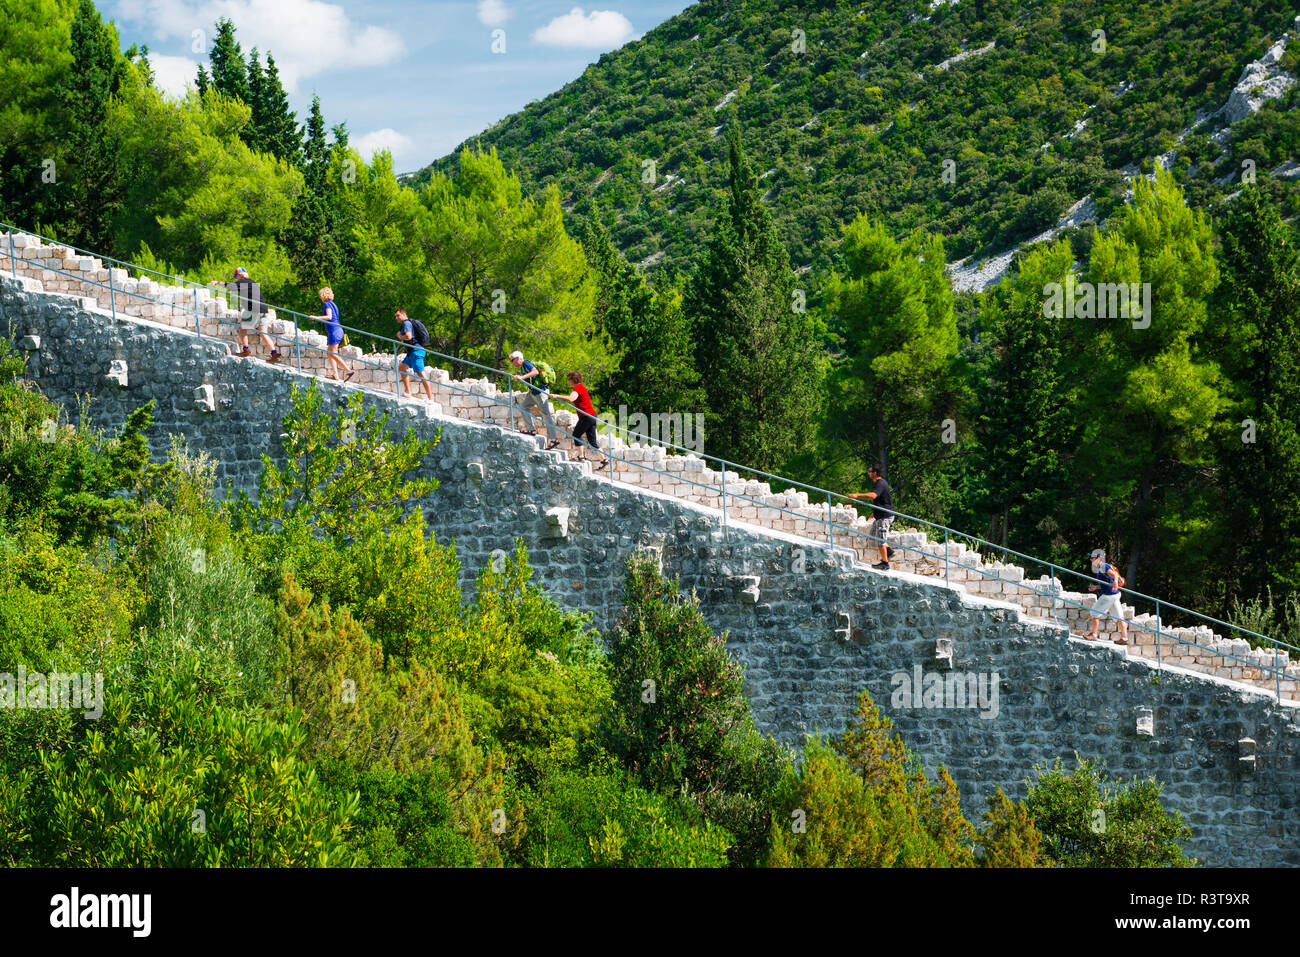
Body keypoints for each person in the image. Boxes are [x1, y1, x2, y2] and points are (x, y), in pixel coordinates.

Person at [208, 267, 282, 362]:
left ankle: (246, 350)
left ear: (240, 275)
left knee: (242, 329)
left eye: (236, 277)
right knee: (262, 332)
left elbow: (230, 286)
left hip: (254, 309)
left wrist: (217, 282)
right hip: (263, 309)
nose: (236, 279)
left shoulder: (244, 281)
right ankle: (274, 353)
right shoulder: (252, 282)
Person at [509, 350, 559, 449]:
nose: (512, 363)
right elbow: (533, 378)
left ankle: (554, 439)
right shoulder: (523, 366)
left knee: (545, 414)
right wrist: (530, 389)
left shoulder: (526, 363)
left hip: (540, 392)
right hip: (534, 392)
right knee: (523, 406)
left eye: (512, 360)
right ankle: (531, 430)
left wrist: (521, 377)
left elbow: (535, 372)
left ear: (518, 358)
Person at [847, 464, 894, 570]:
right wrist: (875, 512)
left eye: (870, 471)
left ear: (875, 473)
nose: (868, 473)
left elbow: (873, 495)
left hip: (884, 517)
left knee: (880, 539)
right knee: (874, 535)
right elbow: (881, 500)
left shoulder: (880, 483)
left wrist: (857, 495)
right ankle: (889, 551)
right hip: (880, 515)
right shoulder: (879, 483)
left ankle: (885, 563)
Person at [559, 370, 607, 469]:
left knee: (576, 434)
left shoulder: (578, 387)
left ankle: (580, 457)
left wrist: (556, 396)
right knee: (592, 440)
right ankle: (604, 460)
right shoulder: (581, 387)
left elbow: (571, 398)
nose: (569, 382)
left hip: (586, 416)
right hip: (592, 415)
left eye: (569, 380)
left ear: (573, 380)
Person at [306, 287, 352, 381]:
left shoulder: (327, 304)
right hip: (337, 330)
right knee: (329, 352)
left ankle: (348, 370)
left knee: (332, 352)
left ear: (323, 295)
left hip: (334, 331)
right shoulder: (333, 304)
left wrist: (315, 317)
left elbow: (329, 317)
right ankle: (335, 375)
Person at [1084, 549, 1129, 644]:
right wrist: (1096, 587)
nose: (1091, 560)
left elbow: (1114, 576)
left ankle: (1093, 635)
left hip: (1108, 596)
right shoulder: (1101, 567)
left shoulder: (1103, 566)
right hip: (1115, 594)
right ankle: (1124, 639)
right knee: (1119, 617)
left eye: (1092, 558)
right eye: (1090, 558)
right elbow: (1107, 582)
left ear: (1099, 558)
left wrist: (1116, 582)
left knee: (1094, 613)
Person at [395, 309, 433, 400]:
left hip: (416, 351)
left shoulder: (406, 324)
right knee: (401, 368)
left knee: (421, 373)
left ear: (404, 314)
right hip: (412, 352)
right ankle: (408, 392)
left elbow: (408, 336)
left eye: (398, 315)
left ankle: (430, 398)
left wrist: (400, 336)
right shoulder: (407, 323)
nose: (396, 318)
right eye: (395, 316)